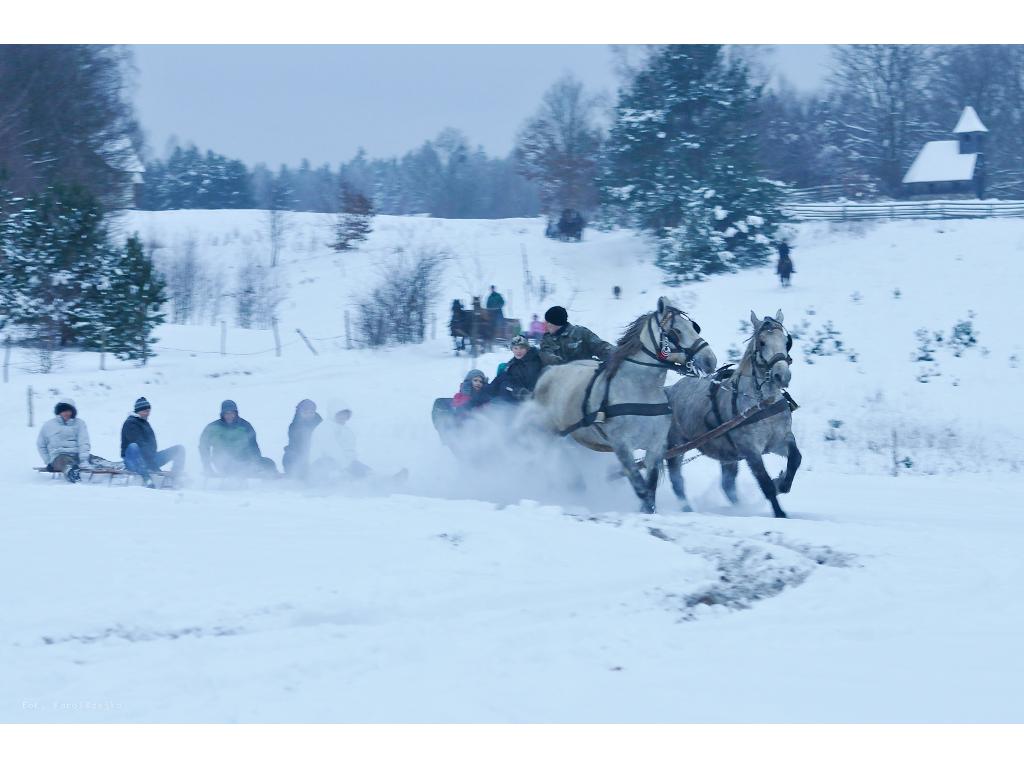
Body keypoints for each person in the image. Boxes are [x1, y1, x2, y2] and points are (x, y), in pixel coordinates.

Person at [198, 399, 278, 478]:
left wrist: (256, 462)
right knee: (234, 468)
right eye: (227, 413)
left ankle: (272, 482)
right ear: (222, 414)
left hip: (245, 460)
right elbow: (203, 446)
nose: (229, 416)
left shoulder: (245, 426)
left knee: (269, 463)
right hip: (223, 462)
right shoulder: (213, 428)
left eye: (232, 413)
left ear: (236, 413)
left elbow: (253, 446)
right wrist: (207, 466)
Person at [120, 396, 186, 488]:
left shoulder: (144, 423)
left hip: (150, 460)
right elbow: (139, 444)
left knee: (179, 449)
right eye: (145, 411)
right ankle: (146, 479)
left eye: (148, 410)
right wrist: (153, 464)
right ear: (138, 411)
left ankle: (176, 477)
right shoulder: (130, 423)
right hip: (133, 461)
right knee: (133, 446)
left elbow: (151, 445)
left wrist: (152, 461)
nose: (147, 413)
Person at [36, 398, 92, 483]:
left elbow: (83, 442)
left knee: (94, 459)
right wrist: (48, 461)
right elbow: (41, 444)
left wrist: (84, 459)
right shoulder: (49, 425)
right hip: (59, 457)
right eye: (64, 411)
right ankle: (72, 473)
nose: (67, 413)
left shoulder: (79, 424)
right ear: (59, 412)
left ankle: (114, 466)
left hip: (76, 455)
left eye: (69, 411)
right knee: (65, 462)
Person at [539, 305, 614, 366]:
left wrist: (617, 355)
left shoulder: (581, 333)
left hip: (585, 377)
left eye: (548, 322)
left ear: (556, 323)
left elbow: (601, 346)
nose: (546, 325)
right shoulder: (547, 340)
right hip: (560, 379)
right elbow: (548, 358)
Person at [487, 335, 544, 403]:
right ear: (512, 349)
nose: (518, 351)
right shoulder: (515, 362)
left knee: (504, 384)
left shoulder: (533, 362)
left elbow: (531, 382)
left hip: (525, 395)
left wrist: (518, 390)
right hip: (515, 390)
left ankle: (486, 396)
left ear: (527, 349)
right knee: (502, 375)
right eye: (515, 348)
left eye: (521, 348)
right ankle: (484, 395)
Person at [282, 399, 323, 479]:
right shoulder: (294, 426)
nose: (308, 414)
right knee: (290, 456)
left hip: (317, 454)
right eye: (305, 412)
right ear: (299, 412)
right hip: (300, 455)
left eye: (311, 412)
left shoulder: (321, 425)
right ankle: (294, 476)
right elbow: (295, 445)